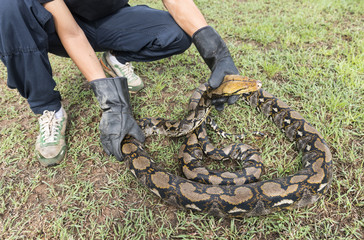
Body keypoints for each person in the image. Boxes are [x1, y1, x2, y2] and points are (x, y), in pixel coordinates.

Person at [0, 0, 240, 167]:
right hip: (58, 26)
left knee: (175, 33)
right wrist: (112, 102)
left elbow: (177, 1)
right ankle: (48, 108)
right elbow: (71, 33)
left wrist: (217, 52)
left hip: (110, 20)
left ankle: (118, 57)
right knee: (8, 6)